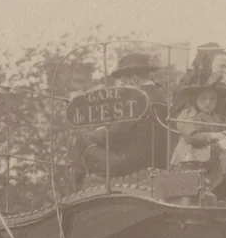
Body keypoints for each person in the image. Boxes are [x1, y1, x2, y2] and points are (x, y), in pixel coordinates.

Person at [72, 52, 172, 183]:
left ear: (134, 80)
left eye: (124, 84)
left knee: (81, 139)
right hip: (157, 161)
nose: (123, 88)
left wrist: (94, 134)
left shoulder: (138, 99)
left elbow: (114, 133)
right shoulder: (161, 98)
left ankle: (79, 188)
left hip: (130, 163)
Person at [170, 82, 226, 204]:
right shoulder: (189, 114)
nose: (208, 102)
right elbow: (192, 136)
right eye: (203, 98)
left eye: (212, 99)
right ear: (196, 98)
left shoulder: (218, 118)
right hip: (191, 152)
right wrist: (215, 136)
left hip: (211, 152)